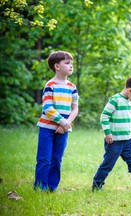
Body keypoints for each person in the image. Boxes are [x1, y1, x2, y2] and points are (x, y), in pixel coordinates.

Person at [92, 75, 131, 192]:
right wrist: (108, 133)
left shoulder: (129, 102)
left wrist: (130, 136)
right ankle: (97, 184)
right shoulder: (115, 100)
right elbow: (104, 116)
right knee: (108, 163)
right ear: (130, 91)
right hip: (114, 141)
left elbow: (127, 121)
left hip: (127, 140)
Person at [34, 51, 79, 192]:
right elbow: (47, 108)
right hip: (47, 128)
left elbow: (75, 108)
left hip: (63, 129)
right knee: (44, 159)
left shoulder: (72, 87)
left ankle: (52, 187)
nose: (71, 66)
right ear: (57, 66)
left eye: (71, 63)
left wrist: (66, 125)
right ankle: (40, 187)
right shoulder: (50, 85)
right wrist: (63, 122)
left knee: (57, 159)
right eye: (67, 63)